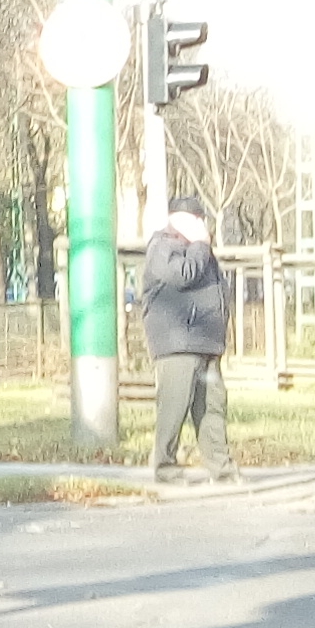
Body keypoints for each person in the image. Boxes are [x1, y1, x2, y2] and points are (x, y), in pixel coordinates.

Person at [140, 195, 235, 481]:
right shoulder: (163, 247)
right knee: (174, 406)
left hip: (205, 342)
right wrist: (199, 246)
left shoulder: (198, 250)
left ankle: (223, 470)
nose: (203, 226)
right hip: (177, 342)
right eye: (198, 219)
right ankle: (165, 468)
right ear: (182, 220)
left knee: (212, 409)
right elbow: (183, 275)